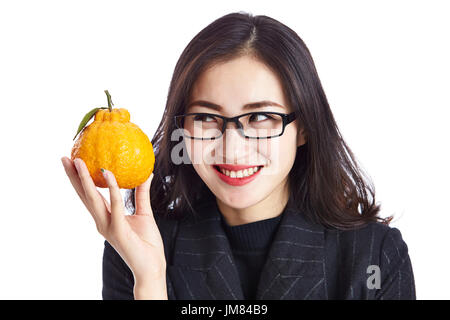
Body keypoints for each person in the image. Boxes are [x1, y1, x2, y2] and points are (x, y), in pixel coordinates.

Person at [61, 11, 415, 300]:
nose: (232, 147)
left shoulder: (375, 256)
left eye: (260, 117)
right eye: (205, 118)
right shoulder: (136, 251)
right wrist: (150, 279)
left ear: (304, 127)